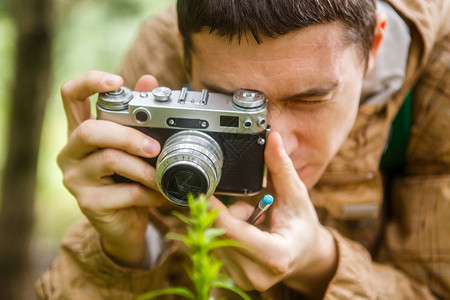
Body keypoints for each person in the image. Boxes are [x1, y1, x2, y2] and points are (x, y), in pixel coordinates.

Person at [36, 0, 449, 299]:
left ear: (374, 47)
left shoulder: (439, 74)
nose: (274, 142)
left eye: (309, 99)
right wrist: (126, 249)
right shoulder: (161, 57)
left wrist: (321, 263)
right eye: (227, 104)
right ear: (185, 51)